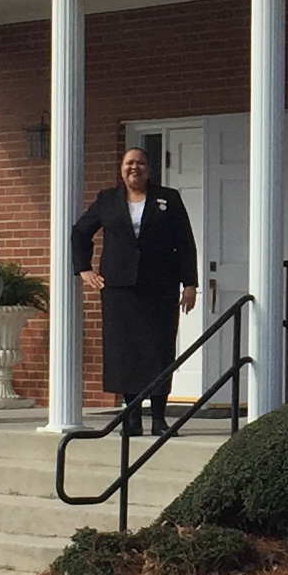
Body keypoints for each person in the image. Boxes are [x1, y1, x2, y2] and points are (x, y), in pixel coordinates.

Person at [71, 144, 197, 436]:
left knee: (158, 350)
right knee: (124, 353)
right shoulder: (107, 200)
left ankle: (158, 417)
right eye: (129, 163)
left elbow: (185, 242)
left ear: (148, 168)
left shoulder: (168, 198)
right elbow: (80, 232)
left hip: (160, 288)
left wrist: (189, 283)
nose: (134, 168)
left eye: (140, 163)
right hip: (119, 289)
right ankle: (131, 416)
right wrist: (83, 269)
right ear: (121, 169)